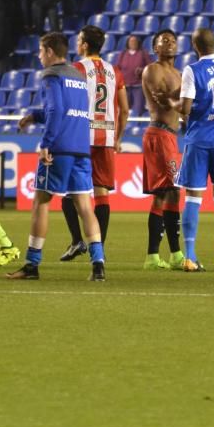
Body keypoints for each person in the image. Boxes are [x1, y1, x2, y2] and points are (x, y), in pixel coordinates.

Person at [9, 33, 106, 281]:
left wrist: (46, 143)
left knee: (41, 201)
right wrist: (34, 116)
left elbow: (56, 109)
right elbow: (71, 110)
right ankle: (98, 265)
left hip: (59, 148)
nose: (39, 56)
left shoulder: (51, 75)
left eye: (41, 51)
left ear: (50, 51)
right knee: (85, 206)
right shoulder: (77, 75)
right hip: (81, 147)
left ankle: (32, 264)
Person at [171, 28, 214, 272]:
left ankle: (189, 256)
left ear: (194, 46)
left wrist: (172, 102)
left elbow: (186, 109)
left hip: (199, 139)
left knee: (193, 197)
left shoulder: (193, 69)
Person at [59, 26, 128, 261]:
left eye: (78, 40)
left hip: (81, 138)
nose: (76, 44)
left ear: (85, 45)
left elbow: (69, 104)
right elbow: (125, 109)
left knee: (69, 192)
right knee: (101, 194)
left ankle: (78, 240)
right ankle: (100, 248)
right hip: (107, 139)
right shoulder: (114, 71)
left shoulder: (76, 69)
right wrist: (118, 138)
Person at [140, 29, 185, 270]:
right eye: (164, 41)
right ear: (155, 48)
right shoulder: (153, 70)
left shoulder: (178, 73)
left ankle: (155, 256)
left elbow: (179, 107)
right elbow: (161, 100)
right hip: (158, 133)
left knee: (164, 194)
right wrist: (185, 95)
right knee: (171, 191)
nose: (169, 44)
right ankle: (173, 255)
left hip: (170, 136)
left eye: (173, 41)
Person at [117, 35, 152, 117]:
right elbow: (118, 67)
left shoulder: (143, 53)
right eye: (131, 41)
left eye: (134, 41)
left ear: (138, 43)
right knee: (124, 109)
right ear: (128, 43)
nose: (133, 43)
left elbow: (150, 67)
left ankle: (137, 127)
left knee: (138, 109)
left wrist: (142, 70)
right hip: (125, 86)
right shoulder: (123, 54)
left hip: (138, 86)